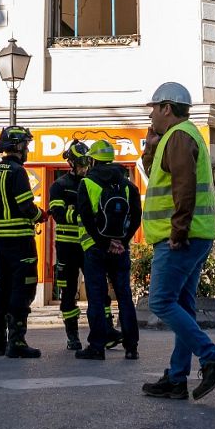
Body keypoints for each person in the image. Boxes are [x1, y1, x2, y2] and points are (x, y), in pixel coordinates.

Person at [139, 82, 215, 402]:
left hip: (181, 237)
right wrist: (151, 146)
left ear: (167, 108)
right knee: (182, 305)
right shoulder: (176, 137)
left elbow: (184, 186)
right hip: (195, 234)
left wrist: (178, 231)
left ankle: (212, 358)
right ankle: (177, 379)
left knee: (161, 302)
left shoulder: (180, 136)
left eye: (153, 108)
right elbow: (160, 174)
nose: (150, 114)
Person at [75, 138, 141, 361]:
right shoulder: (127, 184)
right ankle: (131, 347)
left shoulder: (87, 183)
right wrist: (122, 241)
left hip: (95, 249)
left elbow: (86, 218)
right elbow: (136, 217)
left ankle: (97, 347)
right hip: (120, 249)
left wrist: (104, 243)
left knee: (96, 297)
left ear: (92, 160)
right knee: (124, 295)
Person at [0, 125, 47, 359]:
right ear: (19, 146)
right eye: (26, 145)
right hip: (21, 241)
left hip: (1, 240)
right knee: (23, 288)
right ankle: (17, 341)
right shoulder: (17, 171)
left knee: (2, 288)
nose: (28, 150)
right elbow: (25, 206)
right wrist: (40, 214)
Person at [47, 140, 89, 351]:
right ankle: (72, 335)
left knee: (96, 289)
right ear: (71, 163)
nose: (84, 167)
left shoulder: (91, 183)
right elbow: (58, 214)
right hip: (67, 248)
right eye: (81, 163)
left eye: (86, 162)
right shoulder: (60, 185)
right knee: (68, 291)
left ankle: (105, 331)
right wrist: (82, 215)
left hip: (88, 246)